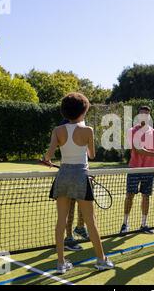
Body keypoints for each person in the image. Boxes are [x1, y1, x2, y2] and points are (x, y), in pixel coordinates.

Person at [44, 92, 114, 274]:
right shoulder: (88, 130)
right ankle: (101, 260)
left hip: (63, 175)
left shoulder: (57, 131)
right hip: (80, 176)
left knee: (61, 221)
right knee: (91, 221)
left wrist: (47, 160)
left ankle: (61, 263)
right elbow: (91, 155)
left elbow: (48, 156)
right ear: (83, 111)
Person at [120, 106, 154, 235]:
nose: (144, 115)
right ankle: (125, 224)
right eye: (141, 113)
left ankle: (144, 225)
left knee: (146, 197)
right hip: (134, 168)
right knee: (129, 196)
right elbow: (137, 149)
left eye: (146, 113)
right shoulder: (131, 131)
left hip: (149, 170)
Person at [58, 119, 90, 252]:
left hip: (80, 174)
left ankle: (80, 228)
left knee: (82, 205)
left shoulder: (82, 129)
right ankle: (69, 238)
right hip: (71, 175)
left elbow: (86, 156)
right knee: (69, 209)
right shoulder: (66, 127)